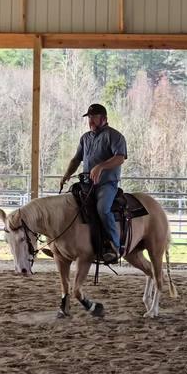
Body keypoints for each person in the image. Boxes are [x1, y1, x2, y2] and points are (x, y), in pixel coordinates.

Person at [60, 103, 127, 264]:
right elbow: (77, 159)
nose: (90, 120)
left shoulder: (115, 136)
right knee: (68, 206)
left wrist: (101, 166)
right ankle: (66, 245)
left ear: (103, 118)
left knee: (103, 209)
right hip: (86, 184)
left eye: (93, 117)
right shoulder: (85, 138)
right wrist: (67, 174)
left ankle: (114, 247)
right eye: (89, 117)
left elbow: (120, 157)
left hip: (107, 184)